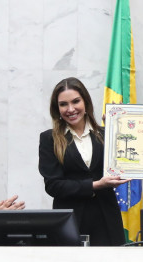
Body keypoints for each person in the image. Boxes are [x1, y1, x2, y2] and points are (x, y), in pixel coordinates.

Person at [38, 77, 126, 246]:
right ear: (57, 109)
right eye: (63, 104)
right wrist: (94, 186)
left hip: (106, 219)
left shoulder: (108, 133)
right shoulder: (50, 139)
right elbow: (53, 185)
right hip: (70, 221)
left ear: (85, 102)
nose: (70, 109)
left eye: (75, 101)